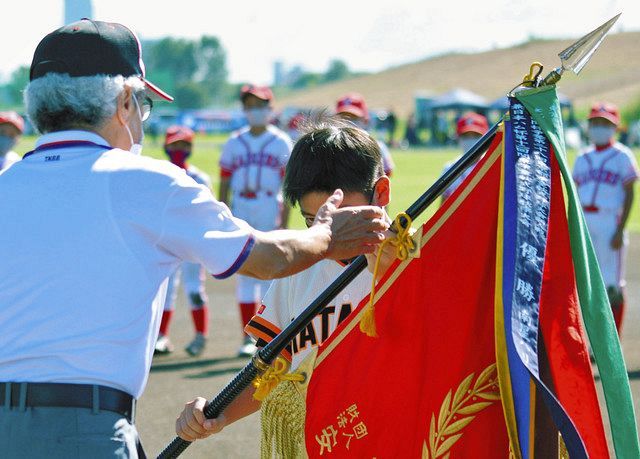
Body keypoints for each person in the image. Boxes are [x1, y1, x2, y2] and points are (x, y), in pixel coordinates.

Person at [0, 20, 386, 458]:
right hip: (82, 428)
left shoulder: (5, 184)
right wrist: (326, 235)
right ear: (125, 101)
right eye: (142, 105)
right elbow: (268, 258)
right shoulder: (147, 182)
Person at [174, 117, 394, 451]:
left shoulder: (417, 263)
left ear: (380, 193)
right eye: (313, 221)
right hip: (325, 441)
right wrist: (217, 412)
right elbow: (273, 367)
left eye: (342, 217)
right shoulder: (301, 267)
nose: (329, 234)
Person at [219, 84, 293, 357]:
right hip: (241, 205)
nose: (256, 111)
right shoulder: (234, 141)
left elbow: (288, 185)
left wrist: (284, 219)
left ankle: (268, 337)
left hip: (268, 204)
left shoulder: (281, 141)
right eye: (251, 105)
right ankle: (246, 337)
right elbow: (225, 179)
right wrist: (223, 212)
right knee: (245, 274)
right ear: (244, 109)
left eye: (261, 105)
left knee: (269, 274)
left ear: (270, 108)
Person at [572, 103, 639, 334]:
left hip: (610, 221)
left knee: (612, 285)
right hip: (585, 223)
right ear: (589, 126)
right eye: (595, 123)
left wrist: (620, 229)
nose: (599, 127)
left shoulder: (622, 155)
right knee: (589, 285)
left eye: (605, 123)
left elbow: (630, 191)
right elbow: (574, 193)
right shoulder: (582, 157)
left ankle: (614, 342)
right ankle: (596, 342)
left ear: (615, 127)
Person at [155, 125, 212, 356]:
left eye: (184, 144)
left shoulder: (200, 177)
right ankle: (161, 337)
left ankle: (200, 335)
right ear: (166, 146)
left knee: (194, 289)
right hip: (166, 240)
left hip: (193, 241)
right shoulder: (158, 175)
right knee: (165, 289)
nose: (179, 149)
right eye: (174, 144)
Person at [335, 92, 395, 177]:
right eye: (343, 118)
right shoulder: (328, 146)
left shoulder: (377, 146)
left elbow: (387, 174)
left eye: (354, 118)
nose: (348, 122)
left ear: (365, 119)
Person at [440, 112, 489, 205]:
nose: (470, 140)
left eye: (476, 136)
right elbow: (442, 209)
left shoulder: (493, 165)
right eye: (465, 136)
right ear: (458, 138)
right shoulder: (450, 168)